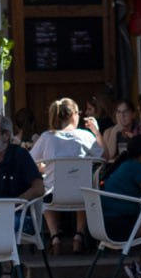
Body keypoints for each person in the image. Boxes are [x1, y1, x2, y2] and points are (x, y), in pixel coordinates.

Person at [30, 97, 103, 254]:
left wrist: (46, 168)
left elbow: (30, 161)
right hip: (83, 198)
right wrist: (96, 132)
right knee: (82, 184)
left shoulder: (47, 137)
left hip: (53, 196)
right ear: (73, 114)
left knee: (46, 188)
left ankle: (55, 237)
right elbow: (105, 155)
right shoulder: (85, 136)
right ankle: (79, 235)